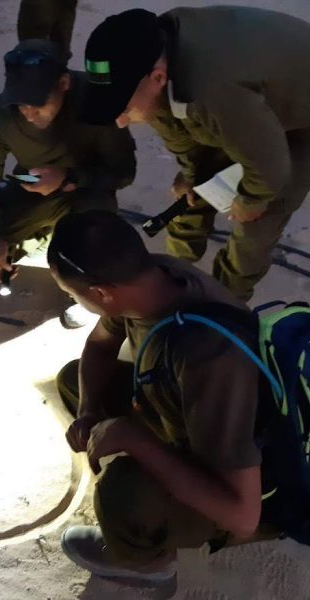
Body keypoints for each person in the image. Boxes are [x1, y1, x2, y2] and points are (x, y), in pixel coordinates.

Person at [79, 8, 310, 301]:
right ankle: (175, 273)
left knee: (259, 221)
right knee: (191, 191)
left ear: (158, 77)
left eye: (125, 109)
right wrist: (192, 176)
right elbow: (176, 131)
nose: (121, 122)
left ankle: (226, 302)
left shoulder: (211, 90)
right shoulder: (151, 51)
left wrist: (251, 200)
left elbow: (271, 166)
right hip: (253, 98)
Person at [48, 210, 272, 582]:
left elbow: (242, 516)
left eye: (72, 294)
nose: (74, 300)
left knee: (122, 492)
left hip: (248, 481)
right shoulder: (149, 278)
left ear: (101, 293)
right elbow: (100, 347)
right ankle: (145, 449)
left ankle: (148, 563)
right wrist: (88, 411)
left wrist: (135, 442)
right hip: (183, 410)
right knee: (76, 380)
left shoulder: (206, 356)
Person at [0, 39, 136, 326]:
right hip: (34, 188)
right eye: (21, 104)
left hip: (87, 192)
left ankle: (79, 286)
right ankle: (49, 245)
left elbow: (123, 172)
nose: (28, 113)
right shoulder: (1, 115)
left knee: (98, 252)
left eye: (38, 103)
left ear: (64, 83)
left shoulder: (97, 102)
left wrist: (69, 178)